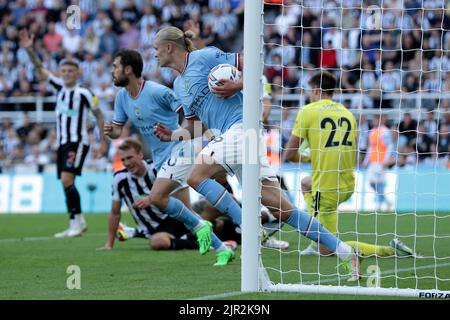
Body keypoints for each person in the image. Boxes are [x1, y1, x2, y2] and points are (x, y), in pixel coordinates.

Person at [153, 26, 362, 281]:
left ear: (169, 47)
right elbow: (197, 126)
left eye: (156, 49)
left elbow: (254, 64)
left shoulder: (205, 57)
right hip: (236, 138)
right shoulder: (179, 85)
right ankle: (344, 251)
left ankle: (249, 225)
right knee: (284, 209)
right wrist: (173, 135)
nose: (154, 55)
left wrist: (239, 84)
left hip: (242, 128)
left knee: (196, 176)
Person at [103, 49, 234, 266]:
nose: (112, 71)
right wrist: (111, 131)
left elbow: (188, 113)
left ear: (128, 69)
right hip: (160, 157)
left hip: (179, 149)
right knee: (188, 215)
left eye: (115, 66)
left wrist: (193, 133)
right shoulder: (121, 98)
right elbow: (118, 130)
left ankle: (206, 226)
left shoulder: (157, 92)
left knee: (156, 197)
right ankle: (223, 248)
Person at [283, 71, 414, 258]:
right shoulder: (348, 115)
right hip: (348, 183)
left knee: (328, 249)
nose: (309, 95)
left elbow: (289, 153)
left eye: (310, 91)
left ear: (316, 90)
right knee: (305, 183)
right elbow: (339, 150)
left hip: (327, 189)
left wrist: (300, 156)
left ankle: (390, 250)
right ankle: (316, 239)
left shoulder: (308, 111)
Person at [19, 29, 105, 238]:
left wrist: (103, 142)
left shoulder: (84, 93)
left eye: (70, 71)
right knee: (66, 182)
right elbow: (40, 70)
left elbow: (99, 116)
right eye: (63, 71)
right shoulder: (58, 87)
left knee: (67, 179)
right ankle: (76, 221)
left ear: (78, 73)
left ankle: (77, 222)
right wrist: (30, 51)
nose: (66, 74)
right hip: (63, 143)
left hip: (78, 142)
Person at [98, 138, 237, 251]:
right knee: (158, 242)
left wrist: (151, 199)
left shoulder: (158, 169)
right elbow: (115, 213)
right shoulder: (119, 179)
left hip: (173, 218)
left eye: (130, 157)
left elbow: (179, 191)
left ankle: (233, 229)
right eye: (123, 160)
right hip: (153, 230)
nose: (127, 163)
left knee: (218, 209)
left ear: (140, 154)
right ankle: (211, 241)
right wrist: (109, 244)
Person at [363, 113, 395, 212]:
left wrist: (385, 160)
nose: (373, 121)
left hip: (381, 162)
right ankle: (386, 201)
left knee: (379, 183)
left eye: (375, 119)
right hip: (373, 162)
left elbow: (389, 146)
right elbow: (370, 147)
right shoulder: (372, 131)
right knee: (371, 183)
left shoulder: (384, 131)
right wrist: (366, 161)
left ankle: (379, 205)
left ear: (379, 120)